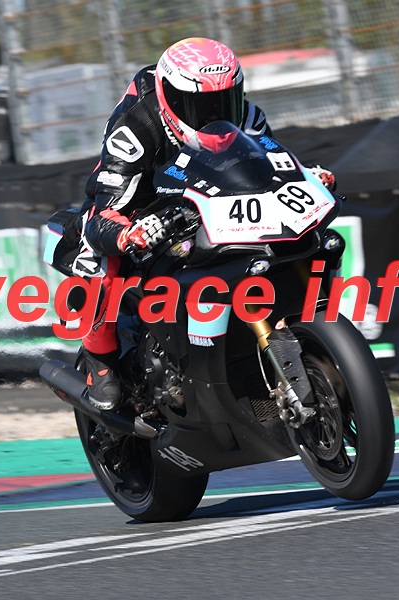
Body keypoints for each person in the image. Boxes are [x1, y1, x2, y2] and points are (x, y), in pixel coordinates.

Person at [76, 37, 336, 410]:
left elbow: (270, 167)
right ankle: (99, 360)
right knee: (99, 256)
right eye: (200, 106)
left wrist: (307, 177)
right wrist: (128, 231)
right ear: (170, 99)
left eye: (224, 101)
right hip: (138, 202)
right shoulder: (135, 130)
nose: (216, 116)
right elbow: (104, 212)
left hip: (206, 195)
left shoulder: (249, 117)